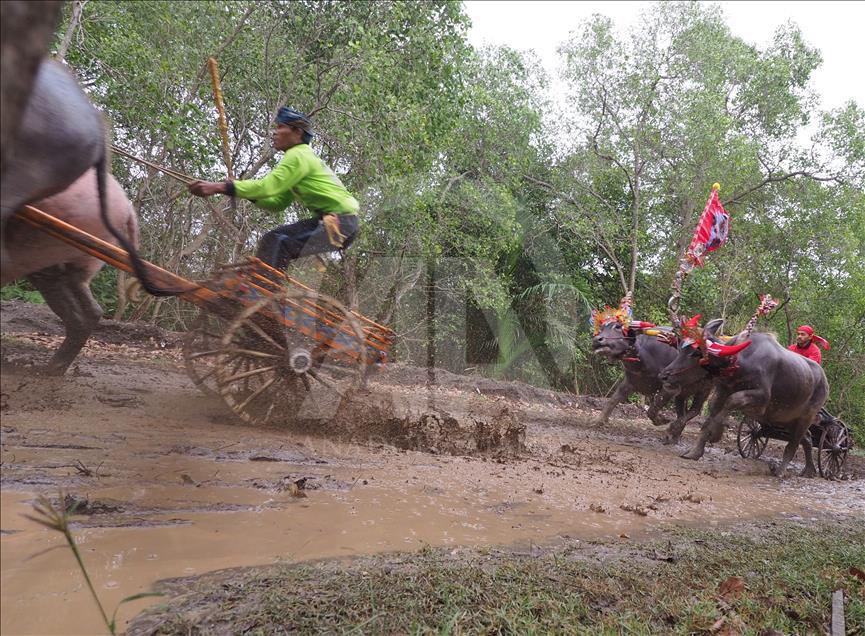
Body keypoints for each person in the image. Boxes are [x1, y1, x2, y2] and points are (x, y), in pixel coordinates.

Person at [187, 107, 359, 270]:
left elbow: (267, 187)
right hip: (341, 223)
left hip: (340, 222)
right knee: (276, 240)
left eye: (280, 127)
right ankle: (267, 289)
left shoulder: (298, 154)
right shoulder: (302, 157)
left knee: (277, 240)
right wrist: (247, 194)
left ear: (297, 132)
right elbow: (277, 203)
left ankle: (263, 290)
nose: (274, 132)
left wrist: (222, 187)